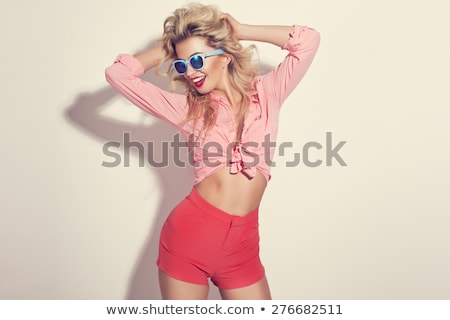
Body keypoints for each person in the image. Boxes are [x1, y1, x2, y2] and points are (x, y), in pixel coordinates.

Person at [105, 3, 320, 300]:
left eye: (196, 60)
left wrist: (242, 31)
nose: (189, 72)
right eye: (182, 65)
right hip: (189, 239)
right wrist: (171, 50)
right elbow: (117, 74)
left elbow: (308, 41)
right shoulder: (186, 109)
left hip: (243, 245)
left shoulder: (267, 93)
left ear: (225, 57)